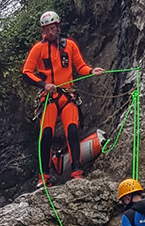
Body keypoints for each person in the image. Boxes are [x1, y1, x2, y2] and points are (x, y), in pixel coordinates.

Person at [22, 10, 104, 188]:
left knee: (72, 131)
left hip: (67, 95)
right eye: (46, 29)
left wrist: (92, 71)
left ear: (58, 27)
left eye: (52, 28)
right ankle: (44, 177)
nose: (50, 32)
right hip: (49, 97)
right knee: (46, 134)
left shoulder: (70, 46)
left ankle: (76, 171)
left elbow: (80, 66)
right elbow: (26, 73)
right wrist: (44, 85)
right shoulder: (38, 49)